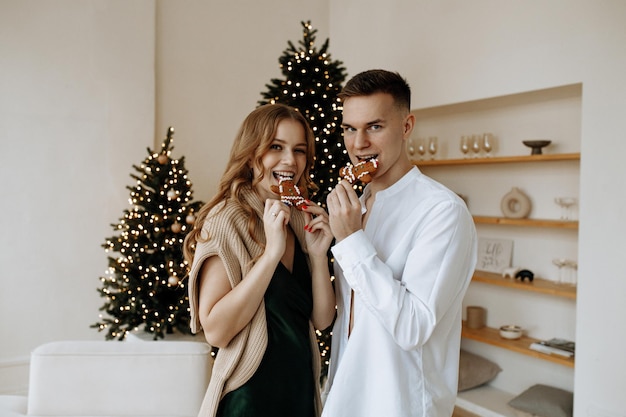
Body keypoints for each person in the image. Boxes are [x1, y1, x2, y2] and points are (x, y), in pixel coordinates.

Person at [322, 69, 477, 417]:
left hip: (398, 404)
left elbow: (413, 327)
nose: (358, 143)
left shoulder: (442, 212)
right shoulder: (356, 205)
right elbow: (349, 317)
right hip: (345, 394)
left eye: (374, 126)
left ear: (406, 127)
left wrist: (350, 240)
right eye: (350, 128)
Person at [183, 103, 336, 417]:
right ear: (252, 153)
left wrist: (319, 256)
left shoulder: (299, 218)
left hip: (299, 395)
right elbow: (215, 331)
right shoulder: (225, 220)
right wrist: (271, 256)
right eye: (276, 147)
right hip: (249, 400)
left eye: (299, 150)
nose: (290, 160)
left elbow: (321, 320)